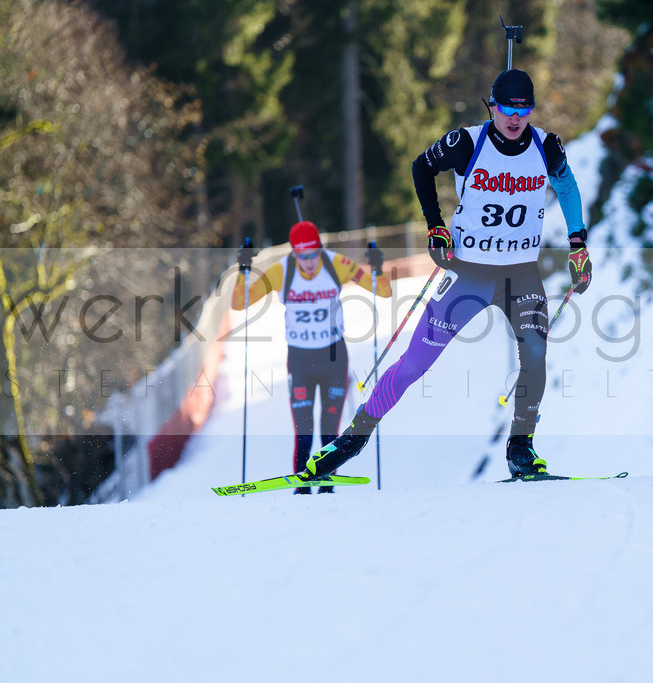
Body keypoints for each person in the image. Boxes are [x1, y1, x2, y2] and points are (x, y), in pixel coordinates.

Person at [299, 69, 593, 480]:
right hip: (468, 273)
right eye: (506, 108)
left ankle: (521, 448)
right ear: (492, 106)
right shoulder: (467, 142)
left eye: (523, 109)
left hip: (520, 275)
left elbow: (567, 186)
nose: (515, 118)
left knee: (536, 354)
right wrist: (435, 226)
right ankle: (353, 437)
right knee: (416, 363)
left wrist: (578, 243)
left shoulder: (547, 147)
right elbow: (421, 168)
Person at [233, 221, 391, 493]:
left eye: (313, 254)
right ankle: (301, 487)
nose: (308, 262)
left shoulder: (335, 263)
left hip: (334, 358)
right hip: (300, 358)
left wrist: (377, 268)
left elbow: (383, 290)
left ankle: (327, 486)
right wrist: (244, 270)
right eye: (302, 256)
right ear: (294, 252)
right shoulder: (282, 270)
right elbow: (240, 302)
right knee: (303, 429)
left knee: (330, 429)